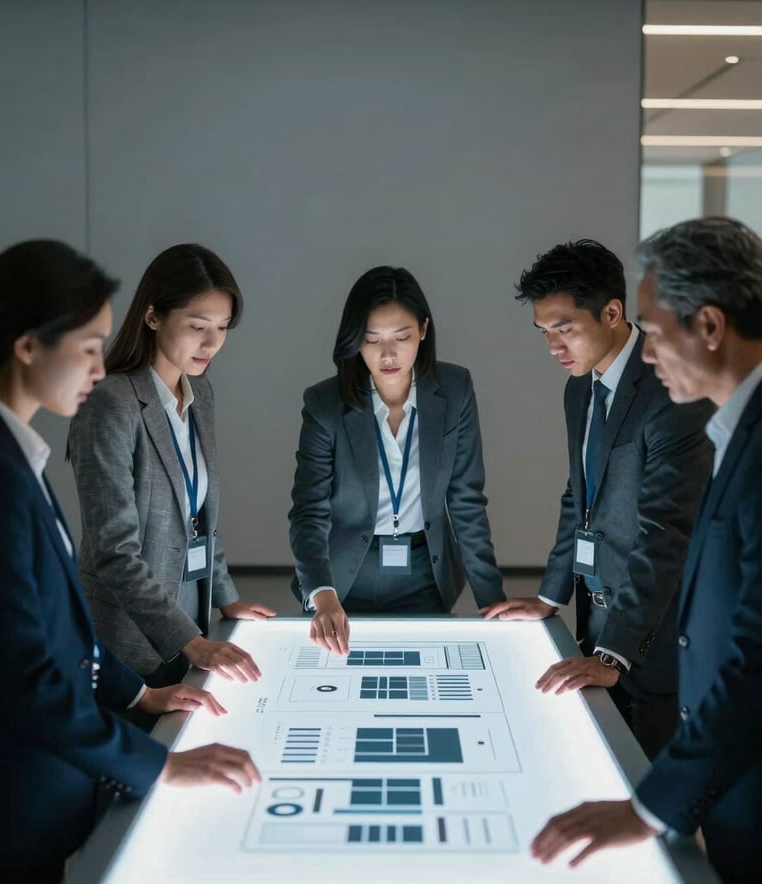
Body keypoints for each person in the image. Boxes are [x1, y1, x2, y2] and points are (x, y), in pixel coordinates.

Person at [0, 240, 261, 884]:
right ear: (29, 344)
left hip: (133, 672)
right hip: (38, 772)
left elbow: (202, 518)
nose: (96, 367)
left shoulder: (20, 458)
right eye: (87, 345)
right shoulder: (99, 411)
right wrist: (160, 760)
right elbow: (34, 666)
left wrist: (213, 615)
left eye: (221, 329)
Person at [530, 217, 762, 883]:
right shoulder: (732, 425)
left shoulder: (708, 420)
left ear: (710, 327)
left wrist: (652, 807)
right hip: (723, 758)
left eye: (656, 332)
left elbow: (752, 646)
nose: (649, 351)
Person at [485, 240, 713, 759]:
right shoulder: (580, 388)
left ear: (612, 312)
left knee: (648, 784)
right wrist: (549, 596)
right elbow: (579, 497)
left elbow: (667, 531)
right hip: (596, 614)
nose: (553, 347)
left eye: (564, 329)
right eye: (544, 333)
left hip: (655, 633)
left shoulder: (670, 389)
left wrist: (616, 652)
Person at [69, 243, 275, 697]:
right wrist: (191, 641)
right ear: (153, 317)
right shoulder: (110, 403)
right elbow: (113, 552)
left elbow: (199, 517)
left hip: (191, 621)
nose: (212, 343)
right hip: (126, 642)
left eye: (222, 328)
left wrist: (226, 596)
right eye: (198, 326)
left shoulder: (199, 393)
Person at [289, 265, 506, 654]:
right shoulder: (325, 404)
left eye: (401, 337)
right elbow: (309, 512)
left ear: (423, 329)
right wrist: (322, 595)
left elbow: (466, 500)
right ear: (356, 341)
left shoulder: (454, 390)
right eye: (372, 340)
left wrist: (492, 601)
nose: (388, 354)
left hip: (426, 571)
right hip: (342, 577)